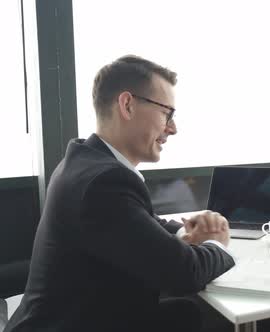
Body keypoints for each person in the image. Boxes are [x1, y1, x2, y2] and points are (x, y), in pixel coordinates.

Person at [5, 55, 235, 332]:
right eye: (167, 113)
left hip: (84, 314)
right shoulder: (104, 181)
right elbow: (185, 274)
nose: (173, 128)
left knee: (186, 313)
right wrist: (218, 244)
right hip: (73, 324)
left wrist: (185, 231)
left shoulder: (87, 161)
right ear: (127, 105)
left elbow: (141, 221)